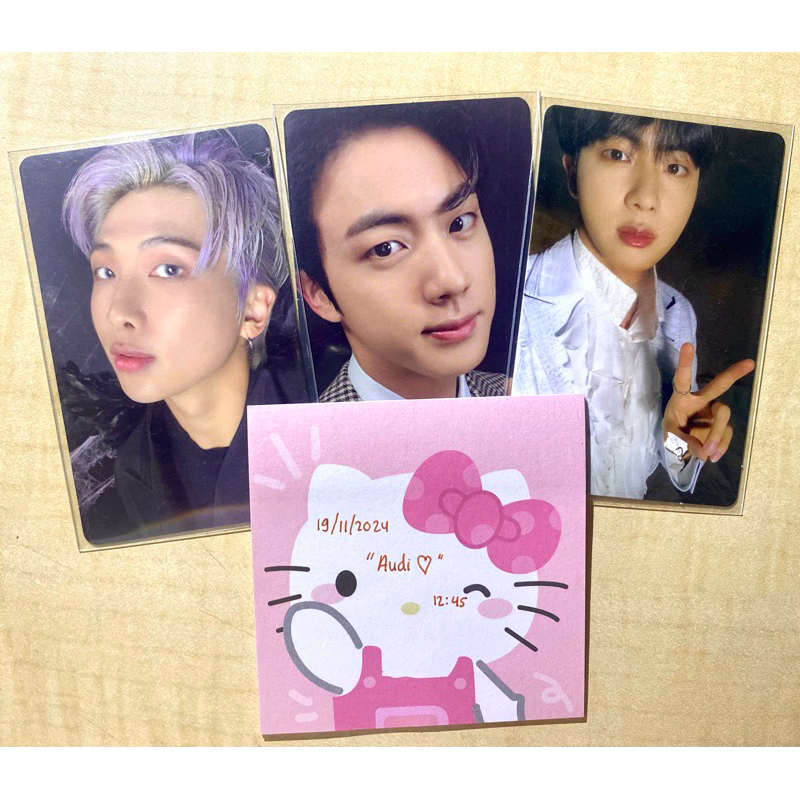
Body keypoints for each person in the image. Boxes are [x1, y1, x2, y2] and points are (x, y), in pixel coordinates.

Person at [62, 132, 305, 540]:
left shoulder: (333, 420)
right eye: (106, 271)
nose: (119, 312)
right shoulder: (137, 468)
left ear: (253, 309)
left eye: (168, 269)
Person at [512, 107, 754, 501]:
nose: (645, 198)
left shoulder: (677, 313)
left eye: (674, 167)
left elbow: (662, 452)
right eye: (618, 154)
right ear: (572, 173)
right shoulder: (503, 296)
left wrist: (681, 443)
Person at [285, 103, 510, 402]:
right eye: (385, 248)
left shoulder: (518, 396)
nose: (452, 281)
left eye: (459, 222)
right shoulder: (316, 433)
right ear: (317, 293)